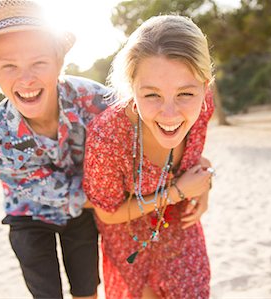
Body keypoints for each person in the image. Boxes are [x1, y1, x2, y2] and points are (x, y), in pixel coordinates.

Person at [0, 1, 108, 298]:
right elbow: (66, 195)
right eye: (9, 66)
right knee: (45, 293)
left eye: (39, 62)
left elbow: (144, 127)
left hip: (82, 209)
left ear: (59, 63)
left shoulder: (96, 100)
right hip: (27, 215)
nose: (26, 78)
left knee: (87, 289)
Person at [83, 15, 215, 299]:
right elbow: (107, 212)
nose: (169, 114)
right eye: (152, 95)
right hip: (127, 234)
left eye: (185, 93)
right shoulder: (108, 137)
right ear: (132, 87)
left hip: (179, 224)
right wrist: (178, 192)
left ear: (205, 85)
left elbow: (196, 160)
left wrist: (205, 184)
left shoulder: (204, 106)